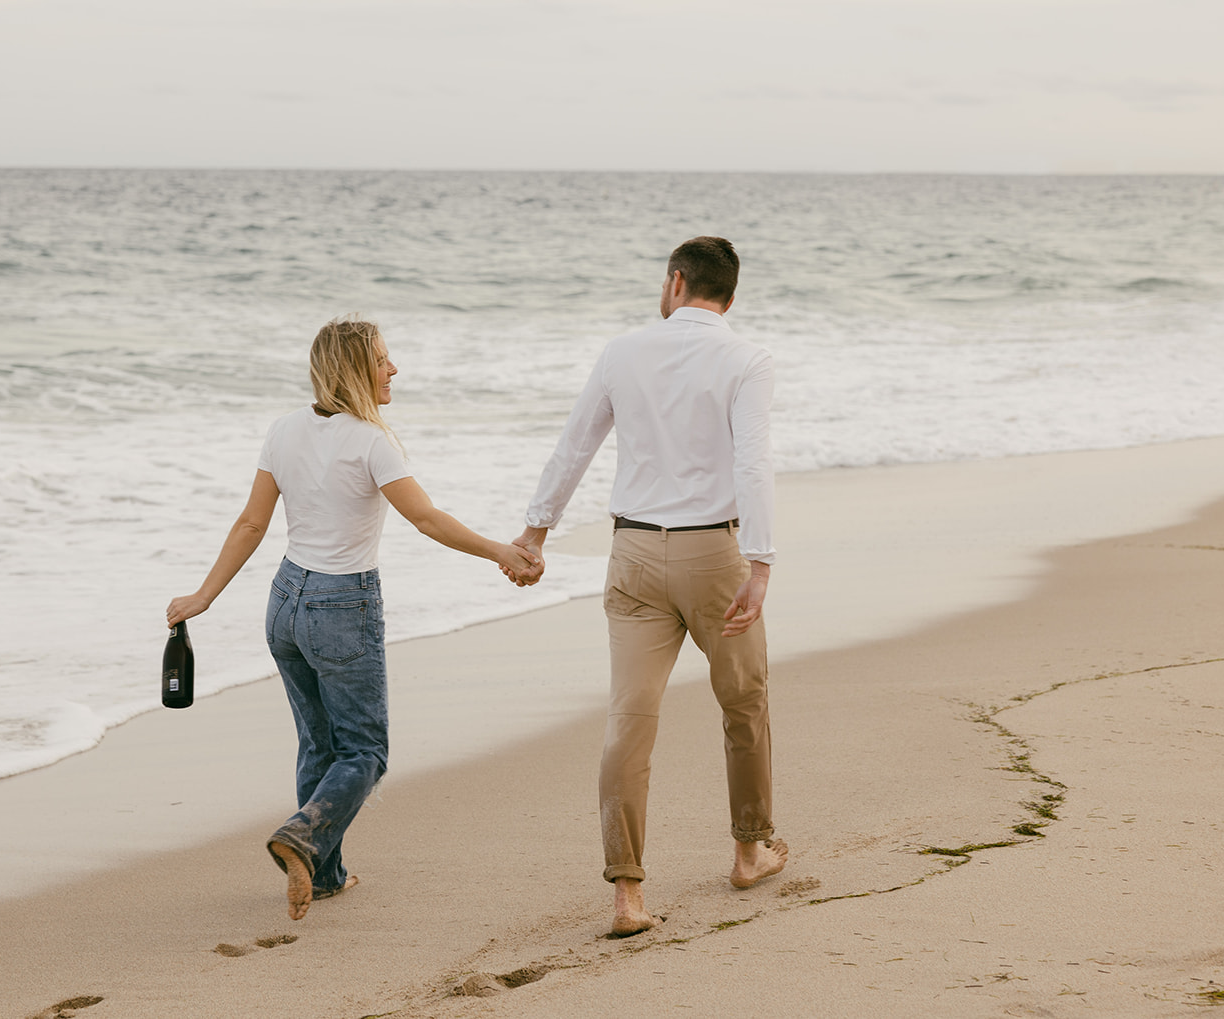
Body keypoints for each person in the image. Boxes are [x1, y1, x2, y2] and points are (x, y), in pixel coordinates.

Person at [167, 316, 541, 921]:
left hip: (285, 602)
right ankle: (302, 837)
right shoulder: (371, 439)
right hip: (343, 605)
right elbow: (427, 519)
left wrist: (203, 596)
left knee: (319, 743)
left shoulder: (284, 429)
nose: (394, 369)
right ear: (354, 369)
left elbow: (251, 524)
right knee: (365, 751)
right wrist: (501, 551)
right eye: (382, 360)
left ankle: (325, 875)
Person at [507, 236, 787, 937]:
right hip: (713, 554)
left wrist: (535, 533)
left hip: (631, 552)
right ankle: (749, 850)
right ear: (729, 294)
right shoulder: (747, 359)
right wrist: (760, 562)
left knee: (630, 721)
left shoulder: (622, 352)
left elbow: (575, 444)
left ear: (675, 283)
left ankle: (627, 894)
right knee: (743, 703)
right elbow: (754, 464)